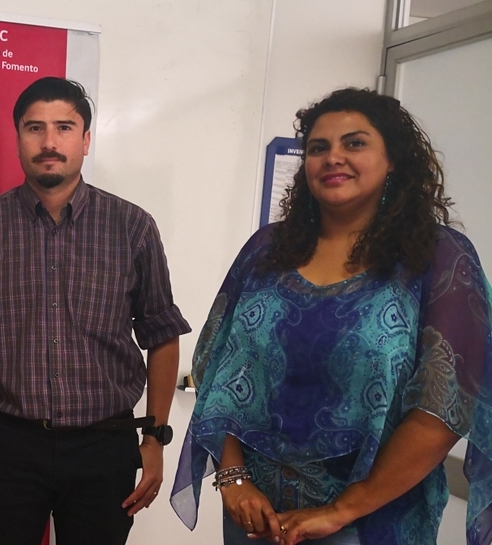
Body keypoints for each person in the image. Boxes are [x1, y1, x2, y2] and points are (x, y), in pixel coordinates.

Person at [171, 88, 492, 545]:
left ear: (394, 160)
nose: (333, 157)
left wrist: (342, 510)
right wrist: (233, 477)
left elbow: (447, 405)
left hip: (372, 520)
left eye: (355, 143)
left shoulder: (438, 258)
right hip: (256, 516)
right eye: (319, 148)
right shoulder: (266, 250)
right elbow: (216, 366)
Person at [0, 76, 191, 545]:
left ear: (86, 139)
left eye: (64, 127)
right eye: (35, 128)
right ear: (17, 137)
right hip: (6, 443)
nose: (49, 142)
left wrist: (155, 439)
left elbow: (161, 334)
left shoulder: (132, 227)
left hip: (105, 444)